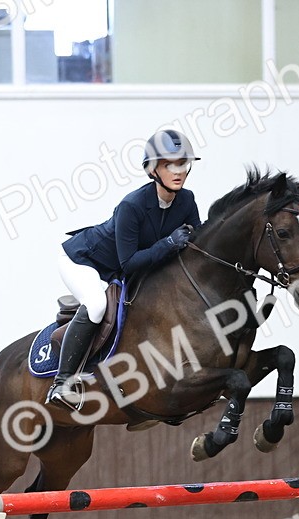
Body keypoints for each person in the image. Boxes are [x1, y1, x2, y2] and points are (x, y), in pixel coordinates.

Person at [46, 129, 203, 409]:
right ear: (153, 169)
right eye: (169, 164)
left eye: (182, 164)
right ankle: (62, 383)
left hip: (117, 269)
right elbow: (128, 264)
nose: (178, 171)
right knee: (95, 305)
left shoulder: (187, 201)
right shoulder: (132, 206)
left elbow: (196, 248)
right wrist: (168, 243)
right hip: (84, 261)